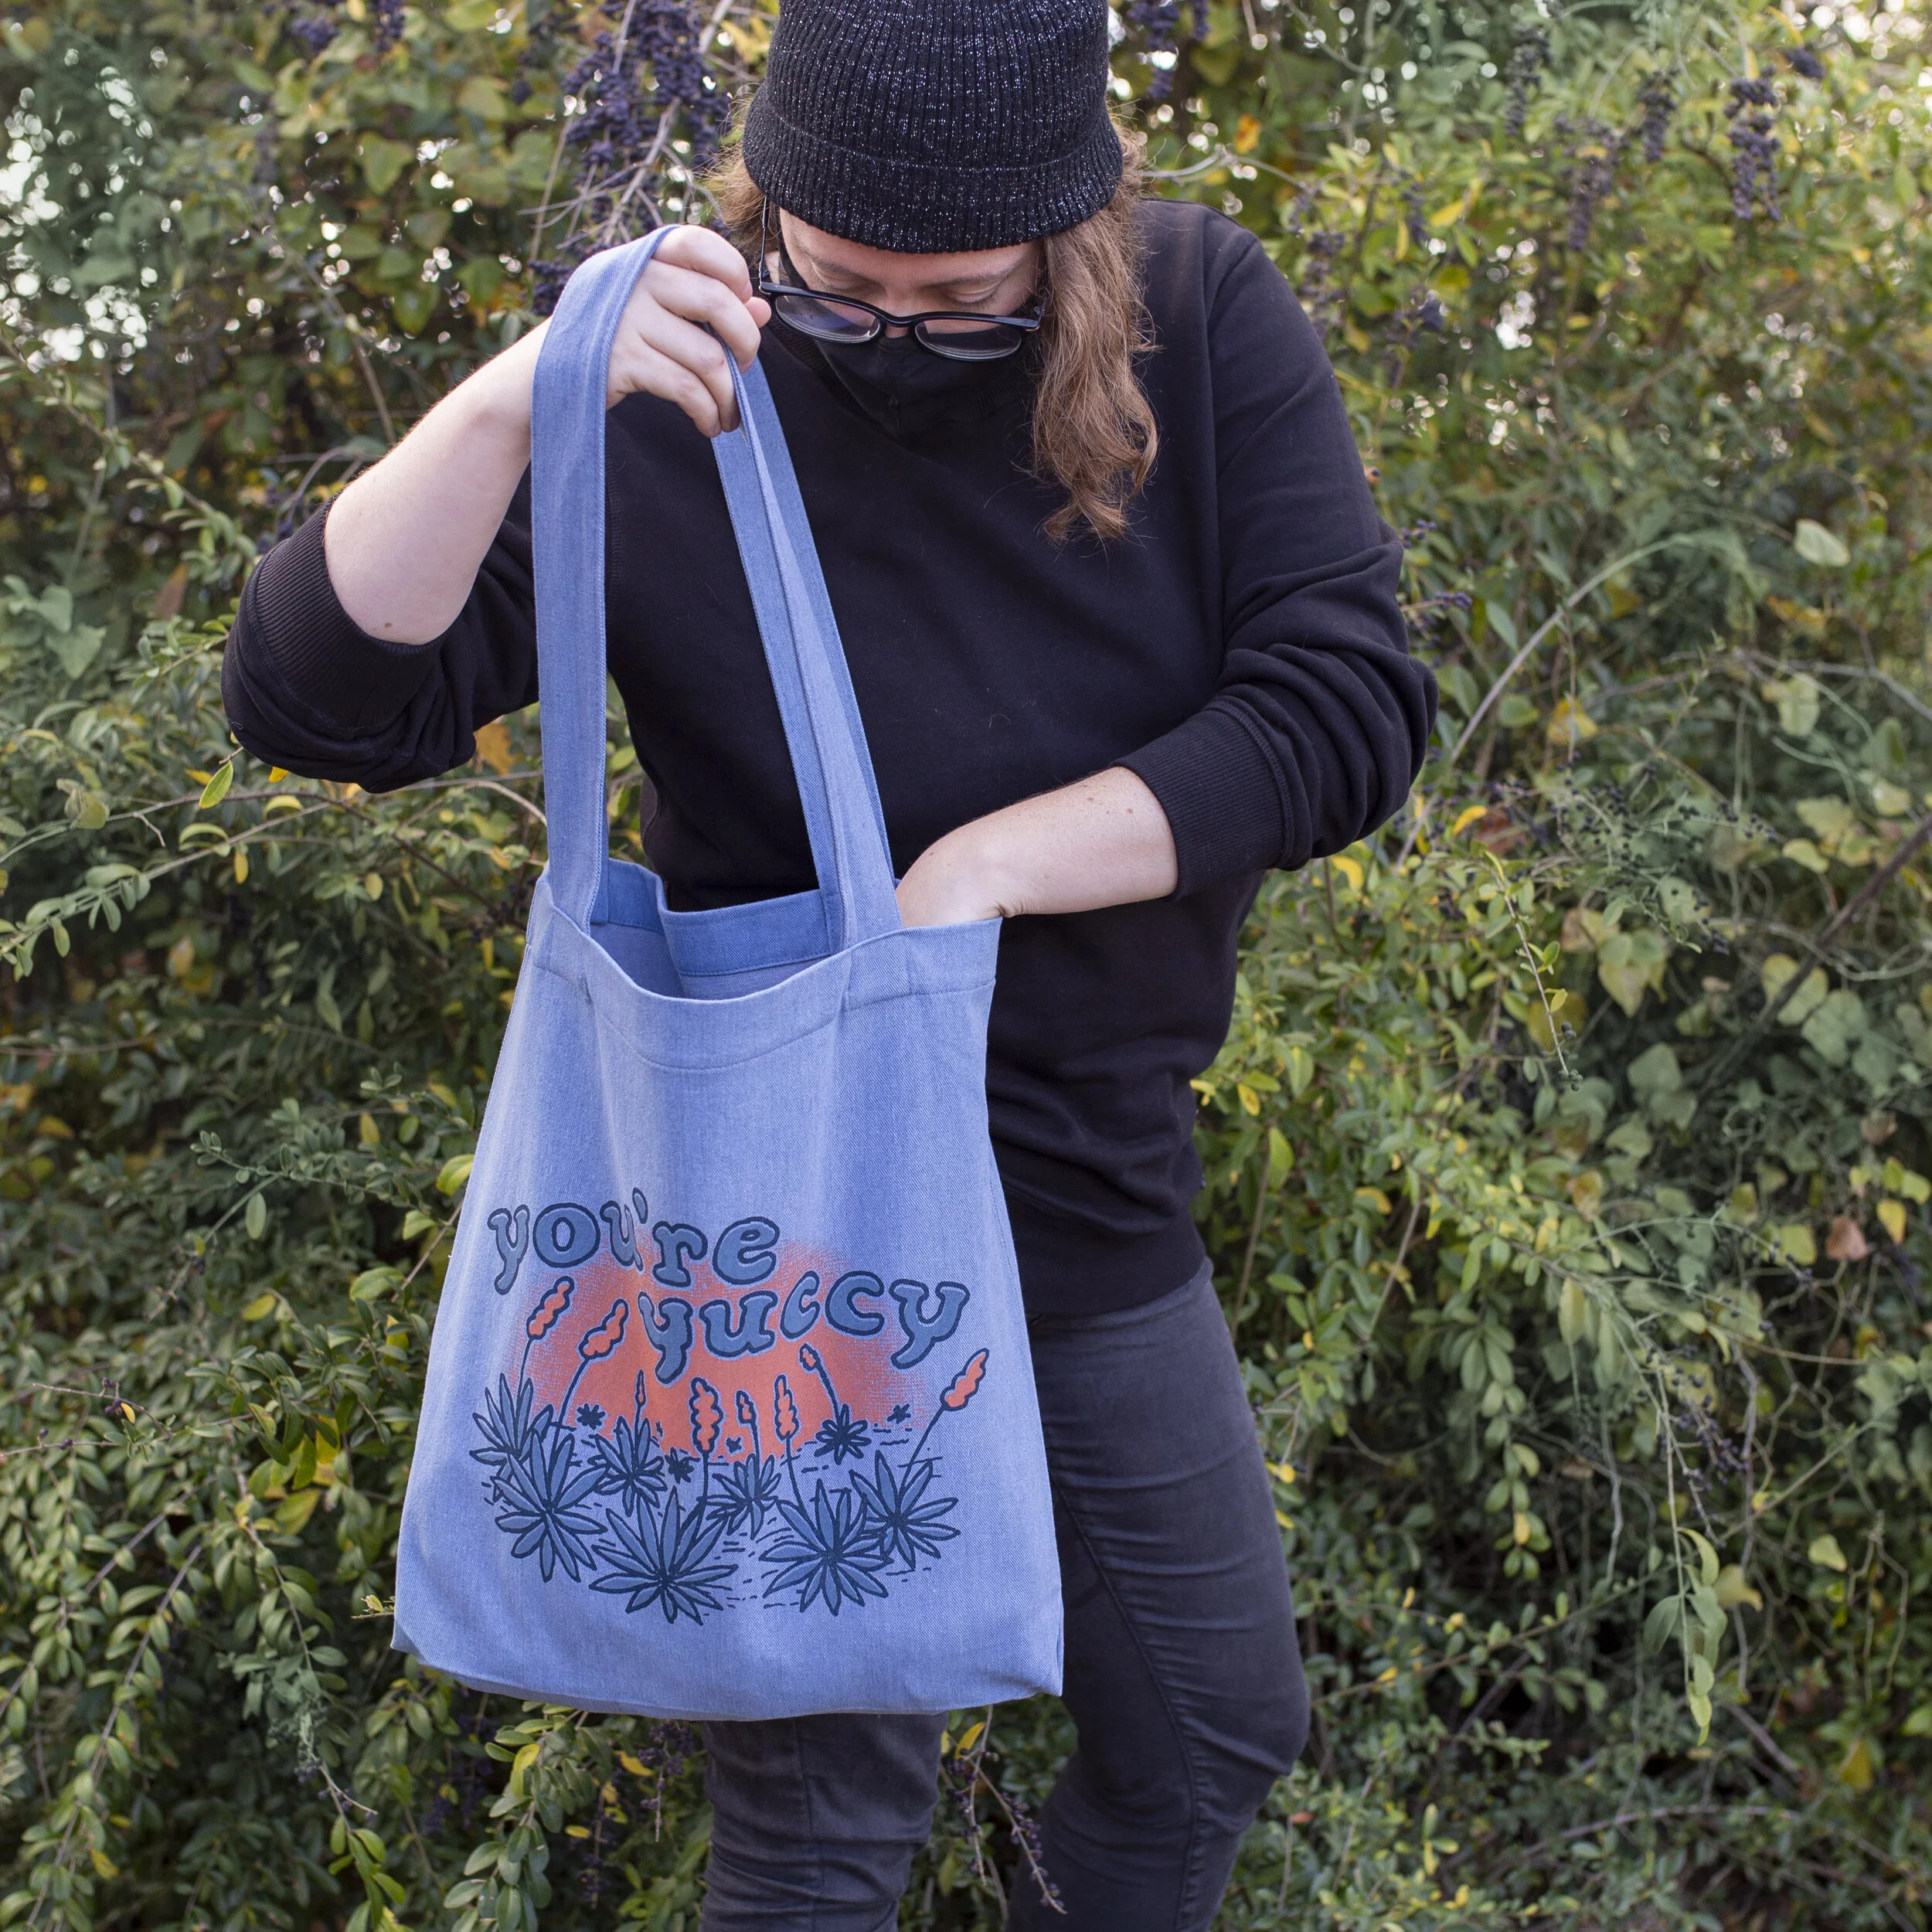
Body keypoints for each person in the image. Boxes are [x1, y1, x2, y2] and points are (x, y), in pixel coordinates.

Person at [223, 0, 1435, 1922]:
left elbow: (1342, 704)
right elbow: (315, 697)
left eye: (956, 301)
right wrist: (518, 389)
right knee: (817, 1829)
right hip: (779, 1218)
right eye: (836, 285)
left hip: (1069, 1171)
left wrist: (971, 876)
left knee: (1210, 1727)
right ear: (765, 214)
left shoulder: (1199, 319)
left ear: (1077, 230)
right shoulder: (680, 367)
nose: (883, 340)